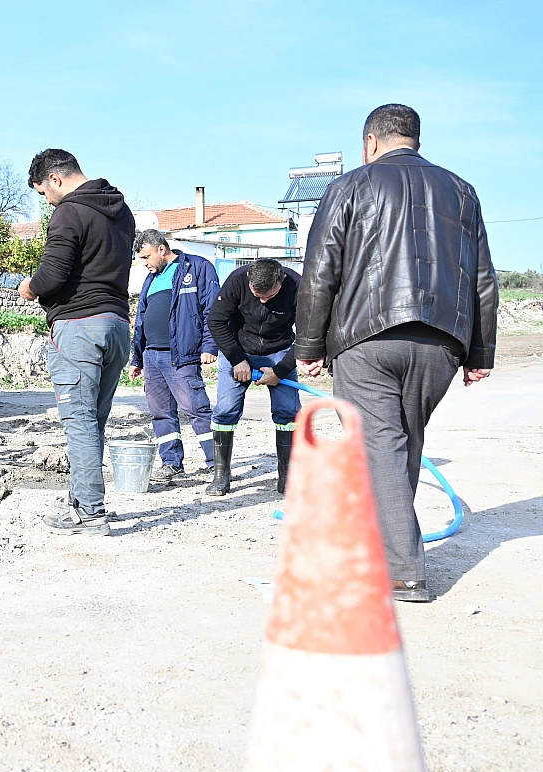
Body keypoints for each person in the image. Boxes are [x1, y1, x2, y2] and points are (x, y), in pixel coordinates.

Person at [294, 103, 498, 603]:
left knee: (379, 448)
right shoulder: (462, 191)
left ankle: (405, 572)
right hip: (442, 341)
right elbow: (483, 279)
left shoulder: (349, 186)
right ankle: (386, 555)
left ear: (370, 142)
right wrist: (480, 352)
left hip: (366, 338)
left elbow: (320, 270)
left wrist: (309, 344)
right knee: (401, 445)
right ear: (416, 140)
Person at [18, 148, 136, 535]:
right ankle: (80, 504)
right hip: (117, 324)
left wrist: (30, 288)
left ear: (55, 179)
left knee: (79, 421)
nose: (46, 202)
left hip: (80, 326)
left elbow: (53, 274)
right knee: (92, 421)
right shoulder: (121, 211)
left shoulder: (69, 211)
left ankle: (91, 512)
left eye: (42, 193)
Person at [205, 258, 302, 496]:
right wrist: (237, 359)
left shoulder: (297, 286)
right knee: (226, 409)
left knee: (288, 412)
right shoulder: (237, 281)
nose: (262, 301)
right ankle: (221, 476)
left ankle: (287, 479)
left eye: (269, 296)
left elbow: (309, 333)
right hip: (239, 349)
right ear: (249, 279)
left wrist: (280, 371)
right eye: (257, 295)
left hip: (280, 351)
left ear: (282, 281)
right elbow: (216, 321)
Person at [129, 229, 220, 483]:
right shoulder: (151, 279)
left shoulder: (197, 267)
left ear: (161, 249)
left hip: (181, 356)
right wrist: (137, 359)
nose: (145, 264)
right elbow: (142, 320)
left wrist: (209, 346)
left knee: (196, 409)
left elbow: (212, 309)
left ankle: (217, 463)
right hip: (152, 356)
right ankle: (171, 463)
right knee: (160, 413)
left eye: (147, 257)